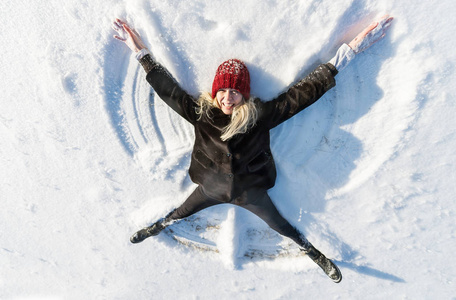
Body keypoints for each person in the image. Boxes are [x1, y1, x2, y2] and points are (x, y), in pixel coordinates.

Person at [112, 15, 393, 283]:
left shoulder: (260, 116)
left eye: (234, 91)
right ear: (214, 92)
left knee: (280, 225)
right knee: (181, 212)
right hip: (210, 189)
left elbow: (306, 92)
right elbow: (167, 89)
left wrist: (351, 50)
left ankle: (310, 250)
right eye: (222, 91)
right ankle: (158, 226)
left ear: (244, 94)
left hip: (252, 193)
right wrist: (139, 51)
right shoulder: (200, 114)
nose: (227, 97)